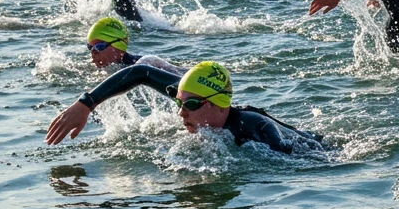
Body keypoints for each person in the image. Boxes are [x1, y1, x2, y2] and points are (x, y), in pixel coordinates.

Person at [45, 61, 326, 155]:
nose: (181, 112)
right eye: (179, 102)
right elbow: (141, 72)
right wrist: (86, 103)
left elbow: (299, 164)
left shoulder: (256, 130)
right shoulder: (196, 96)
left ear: (218, 104)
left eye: (190, 105)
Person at [74, 17, 184, 74]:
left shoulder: (145, 64)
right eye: (90, 47)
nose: (93, 52)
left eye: (99, 47)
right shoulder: (88, 68)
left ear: (118, 46)